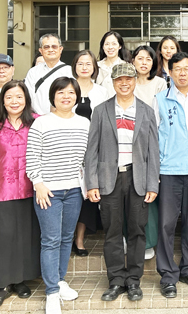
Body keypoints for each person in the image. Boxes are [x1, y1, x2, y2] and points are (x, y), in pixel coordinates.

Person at [85, 63, 159, 303]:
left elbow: (153, 152)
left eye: (128, 79)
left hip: (137, 179)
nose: (124, 83)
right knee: (113, 231)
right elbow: (92, 151)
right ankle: (116, 279)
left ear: (135, 80)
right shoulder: (101, 110)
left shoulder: (147, 111)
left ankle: (134, 280)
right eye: (119, 80)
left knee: (137, 231)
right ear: (113, 82)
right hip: (109, 179)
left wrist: (152, 184)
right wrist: (92, 183)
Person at [27, 77, 89, 314]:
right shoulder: (41, 123)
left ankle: (60, 280)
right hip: (48, 190)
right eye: (61, 92)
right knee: (51, 239)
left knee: (66, 238)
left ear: (77, 97)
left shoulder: (84, 123)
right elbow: (32, 156)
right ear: (53, 96)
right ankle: (51, 292)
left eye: (71, 93)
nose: (66, 96)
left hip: (74, 189)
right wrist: (38, 183)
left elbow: (86, 158)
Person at [153, 52, 188, 298]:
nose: (183, 73)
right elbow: (153, 137)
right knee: (166, 223)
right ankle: (168, 275)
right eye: (178, 69)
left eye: (187, 68)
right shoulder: (159, 99)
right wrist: (157, 166)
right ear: (170, 71)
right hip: (168, 169)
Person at [0, 80, 41, 307]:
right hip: (2, 190)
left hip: (31, 189)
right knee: (5, 237)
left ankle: (21, 280)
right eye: (9, 97)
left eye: (18, 97)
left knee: (27, 235)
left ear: (26, 99)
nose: (14, 101)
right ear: (3, 101)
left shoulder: (36, 123)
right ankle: (3, 284)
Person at [131, 45, 167, 260]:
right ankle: (130, 236)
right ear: (133, 60)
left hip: (152, 141)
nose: (144, 62)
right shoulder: (126, 81)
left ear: (154, 63)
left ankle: (149, 240)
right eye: (140, 58)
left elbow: (160, 116)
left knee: (149, 192)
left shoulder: (160, 83)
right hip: (126, 143)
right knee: (129, 191)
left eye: (148, 59)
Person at [71, 50, 108, 258]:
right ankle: (67, 238)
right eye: (80, 63)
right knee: (70, 193)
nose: (84, 67)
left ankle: (80, 239)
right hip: (69, 148)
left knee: (88, 194)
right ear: (74, 66)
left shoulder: (101, 91)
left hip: (93, 148)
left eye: (88, 64)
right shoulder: (66, 87)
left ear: (94, 67)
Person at [25, 34, 73, 115]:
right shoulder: (33, 72)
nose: (50, 50)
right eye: (46, 47)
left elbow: (73, 96)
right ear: (41, 50)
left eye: (54, 47)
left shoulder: (70, 71)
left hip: (64, 118)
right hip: (38, 119)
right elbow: (28, 96)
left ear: (60, 49)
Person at [96, 31, 130, 98]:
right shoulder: (96, 66)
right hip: (100, 105)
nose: (110, 47)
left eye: (114, 44)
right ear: (102, 46)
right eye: (107, 44)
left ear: (120, 46)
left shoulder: (126, 66)